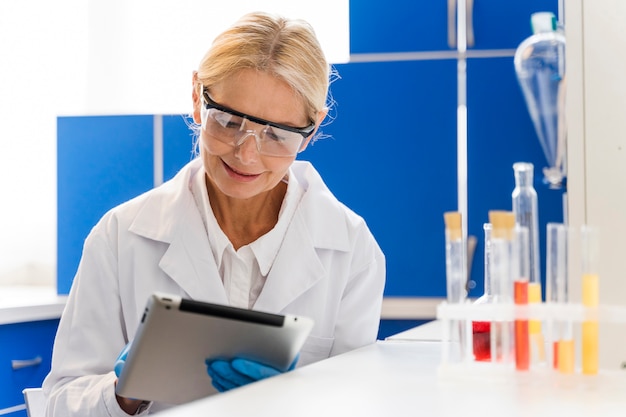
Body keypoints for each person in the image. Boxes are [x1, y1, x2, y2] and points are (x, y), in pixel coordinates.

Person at [43, 11, 385, 416]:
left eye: (276, 134)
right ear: (196, 97)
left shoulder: (351, 250)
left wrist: (295, 401)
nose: (246, 153)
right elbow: (61, 403)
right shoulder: (120, 237)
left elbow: (356, 405)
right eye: (227, 121)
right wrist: (122, 392)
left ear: (311, 131)